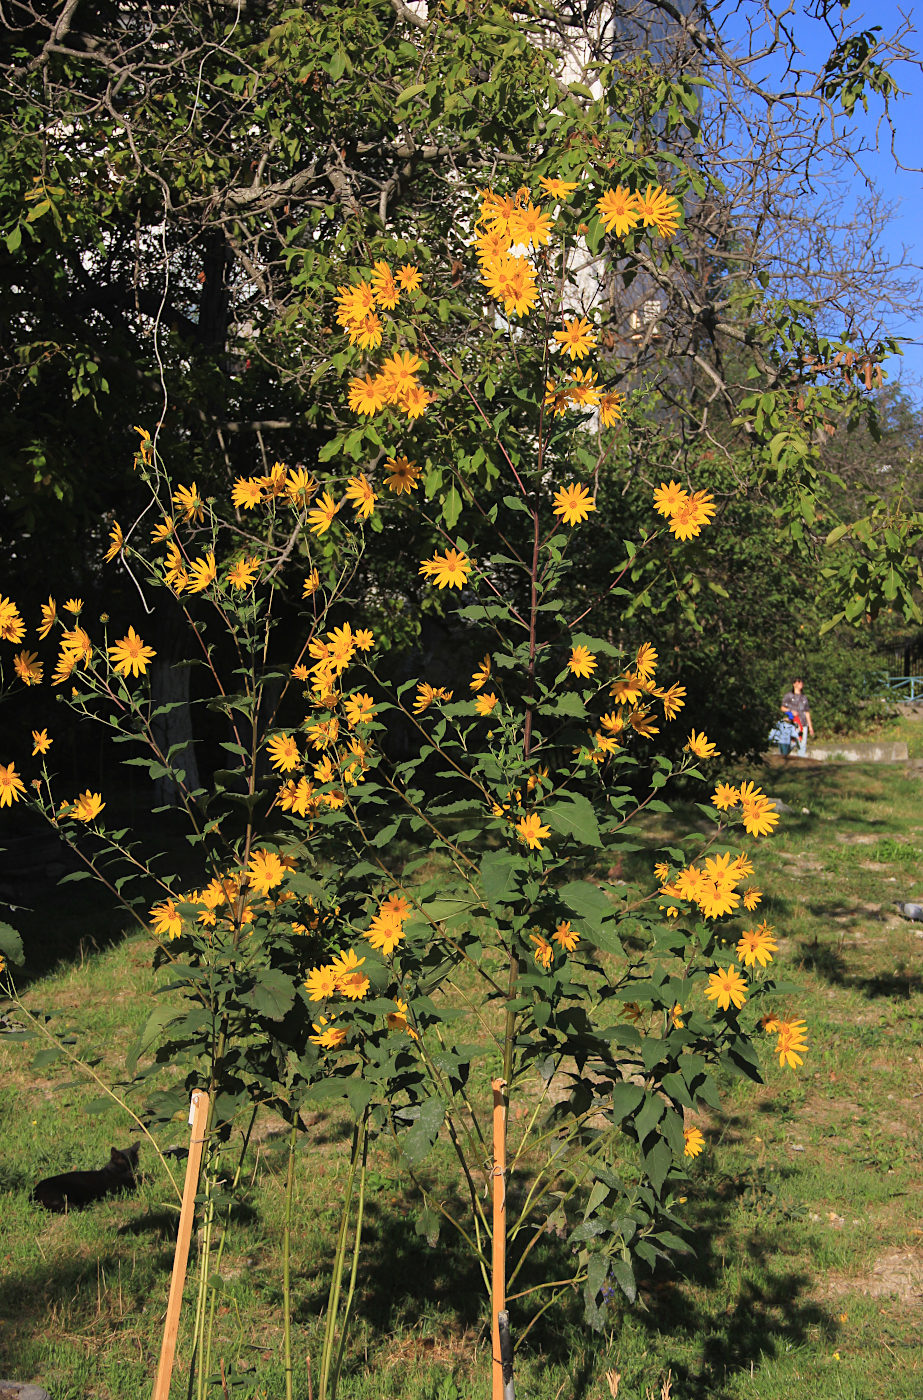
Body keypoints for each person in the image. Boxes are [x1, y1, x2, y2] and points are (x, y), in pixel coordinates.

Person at [781, 678, 814, 757]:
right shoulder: (789, 696)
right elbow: (782, 708)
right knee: (792, 743)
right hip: (793, 723)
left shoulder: (804, 698)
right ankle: (783, 757)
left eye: (801, 682)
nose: (800, 684)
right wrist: (790, 711)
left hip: (803, 724)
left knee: (802, 745)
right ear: (794, 684)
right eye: (798, 682)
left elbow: (807, 712)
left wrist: (810, 727)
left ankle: (801, 761)